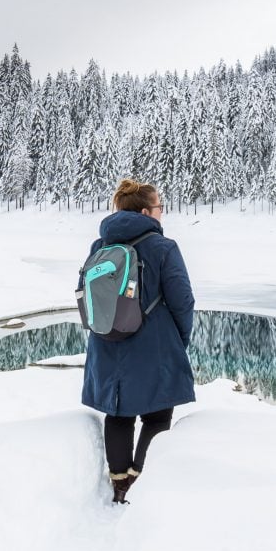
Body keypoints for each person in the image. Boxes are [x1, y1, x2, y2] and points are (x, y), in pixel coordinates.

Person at [80, 178, 195, 504]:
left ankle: (119, 483)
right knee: (157, 417)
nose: (162, 213)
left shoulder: (98, 247)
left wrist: (103, 333)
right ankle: (142, 481)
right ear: (146, 211)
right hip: (153, 348)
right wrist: (178, 341)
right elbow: (183, 301)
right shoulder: (163, 247)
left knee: (118, 415)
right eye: (160, 207)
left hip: (106, 344)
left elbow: (86, 297)